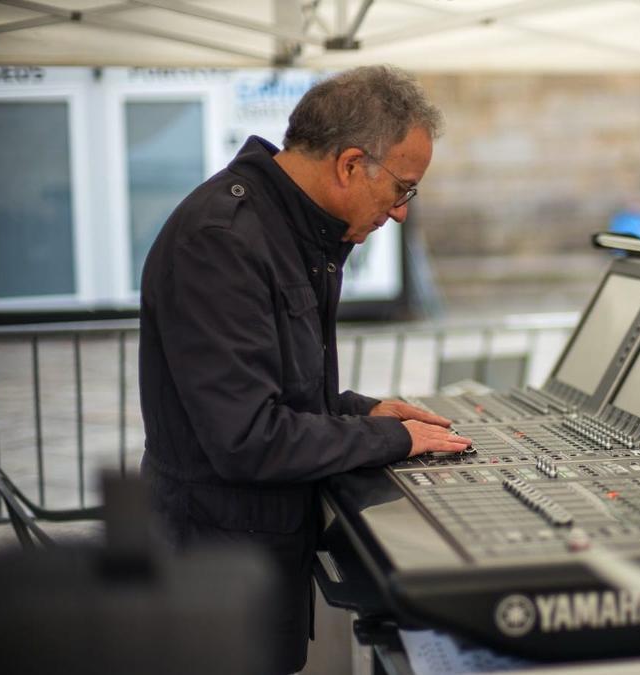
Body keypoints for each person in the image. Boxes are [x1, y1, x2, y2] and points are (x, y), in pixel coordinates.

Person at [138, 66, 472, 674]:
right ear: (349, 165)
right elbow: (246, 437)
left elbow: (277, 388)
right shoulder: (223, 241)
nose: (400, 212)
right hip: (214, 573)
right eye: (402, 188)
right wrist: (389, 439)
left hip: (247, 556)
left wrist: (359, 410)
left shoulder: (289, 230)